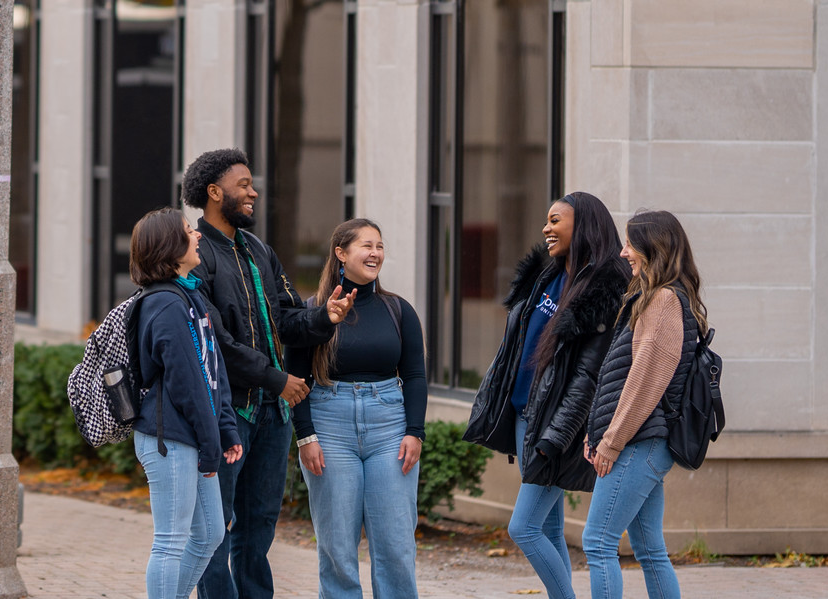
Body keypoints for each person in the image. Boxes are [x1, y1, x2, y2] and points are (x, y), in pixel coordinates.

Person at [181, 149, 350, 599]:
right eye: (243, 184)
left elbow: (288, 320)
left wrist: (324, 318)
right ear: (215, 193)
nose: (253, 191)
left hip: (272, 418)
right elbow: (213, 342)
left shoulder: (259, 251)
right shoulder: (196, 253)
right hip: (229, 413)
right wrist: (278, 380)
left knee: (258, 532)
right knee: (214, 530)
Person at [463, 192, 631, 598]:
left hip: (558, 426)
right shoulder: (547, 275)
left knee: (523, 527)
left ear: (584, 225)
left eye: (556, 220)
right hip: (526, 415)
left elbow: (588, 378)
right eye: (546, 221)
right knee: (548, 526)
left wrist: (554, 440)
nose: (546, 229)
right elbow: (518, 345)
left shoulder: (604, 288)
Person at [285, 219, 426, 599]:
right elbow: (296, 381)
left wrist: (415, 431)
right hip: (329, 425)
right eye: (366, 245)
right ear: (341, 253)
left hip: (389, 427)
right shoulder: (313, 311)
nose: (375, 253)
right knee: (337, 549)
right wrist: (306, 437)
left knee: (396, 546)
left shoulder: (398, 309)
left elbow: (414, 375)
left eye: (379, 246)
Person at [582, 210, 708, 599]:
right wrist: (597, 431)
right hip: (643, 441)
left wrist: (611, 441)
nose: (623, 253)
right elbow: (620, 378)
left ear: (654, 249)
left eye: (630, 244)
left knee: (598, 542)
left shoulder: (665, 301)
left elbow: (644, 384)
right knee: (650, 550)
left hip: (640, 443)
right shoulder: (653, 298)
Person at [127, 207, 246, 599]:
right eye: (187, 231)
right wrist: (212, 446)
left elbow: (214, 373)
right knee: (171, 541)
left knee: (210, 533)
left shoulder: (189, 297)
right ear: (169, 246)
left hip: (193, 438)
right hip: (169, 439)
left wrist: (225, 428)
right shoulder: (164, 304)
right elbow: (187, 384)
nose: (196, 235)